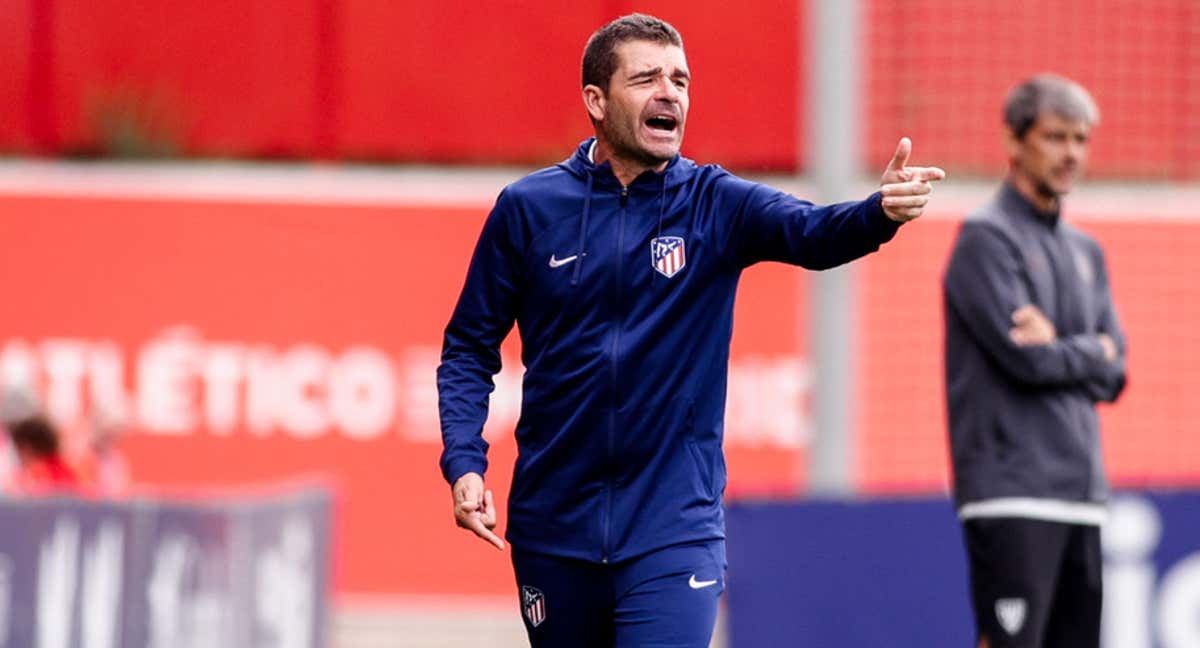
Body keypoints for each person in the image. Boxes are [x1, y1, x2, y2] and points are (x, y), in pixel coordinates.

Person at [439, 13, 944, 647]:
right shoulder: (529, 209)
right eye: (647, 78)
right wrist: (464, 461)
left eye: (680, 79)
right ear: (596, 101)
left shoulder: (716, 202)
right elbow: (468, 348)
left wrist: (878, 213)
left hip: (674, 530)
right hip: (552, 528)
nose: (670, 93)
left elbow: (813, 234)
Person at [943, 74, 1127, 648]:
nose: (1070, 153)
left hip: (1083, 497)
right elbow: (1028, 362)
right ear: (1015, 139)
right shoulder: (984, 239)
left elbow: (1117, 371)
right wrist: (1088, 347)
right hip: (1011, 492)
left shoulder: (1085, 251)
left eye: (1080, 139)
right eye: (1055, 137)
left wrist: (1064, 343)